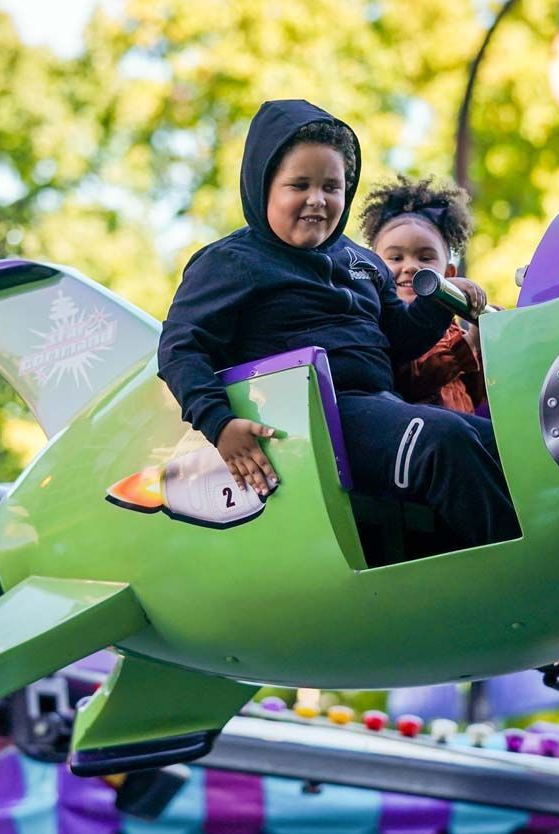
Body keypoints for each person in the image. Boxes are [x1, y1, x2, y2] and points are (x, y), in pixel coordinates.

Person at [157, 99, 519, 548]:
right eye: (299, 185)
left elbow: (398, 340)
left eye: (332, 186)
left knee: (504, 438)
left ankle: (558, 537)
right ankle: (528, 565)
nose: (317, 199)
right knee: (441, 443)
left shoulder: (362, 261)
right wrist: (219, 423)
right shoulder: (233, 262)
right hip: (315, 422)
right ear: (263, 186)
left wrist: (439, 302)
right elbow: (180, 347)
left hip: (380, 406)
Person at [360, 175, 486, 413]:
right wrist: (468, 345)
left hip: (466, 434)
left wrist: (484, 346)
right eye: (396, 258)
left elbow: (477, 395)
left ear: (449, 273)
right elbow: (412, 379)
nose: (411, 267)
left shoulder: (452, 327)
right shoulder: (380, 322)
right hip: (422, 437)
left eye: (425, 258)